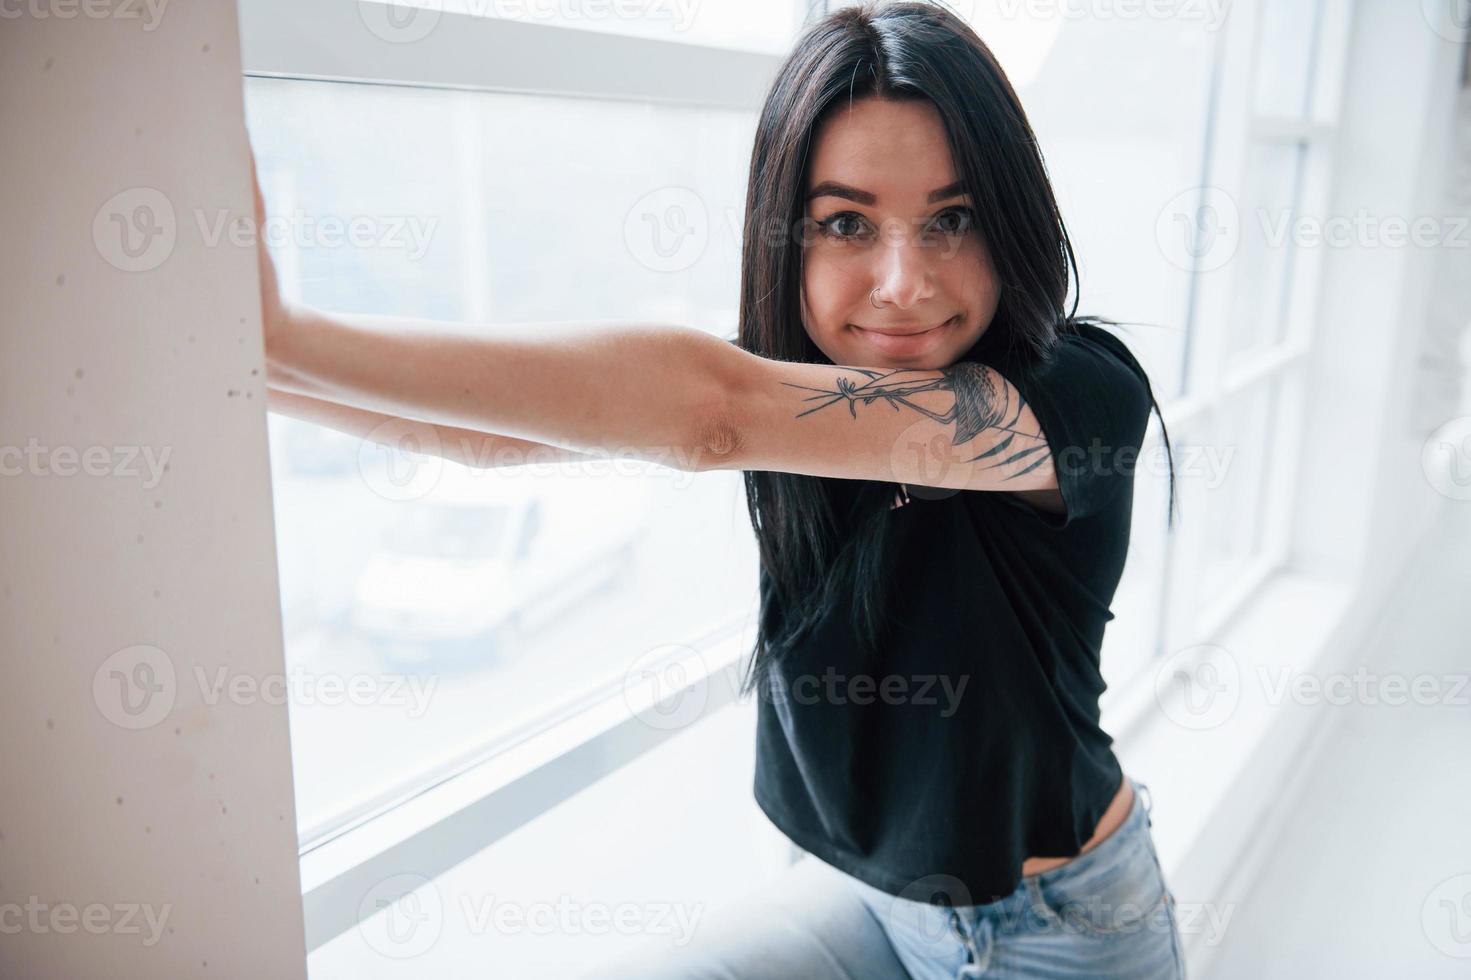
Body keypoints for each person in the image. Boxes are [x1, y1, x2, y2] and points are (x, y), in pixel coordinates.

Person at [254, 2, 1184, 976]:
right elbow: (491, 437)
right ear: (788, 235)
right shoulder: (797, 389)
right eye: (846, 222)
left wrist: (285, 337)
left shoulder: (1077, 392)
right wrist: (256, 362)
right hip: (858, 886)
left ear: (1012, 220)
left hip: (1052, 922)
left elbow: (712, 414)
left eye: (951, 219)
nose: (904, 281)